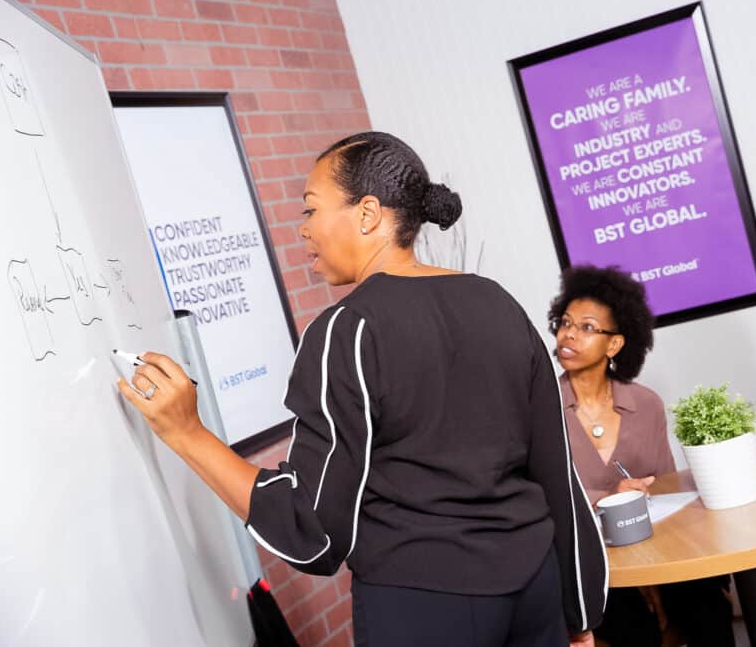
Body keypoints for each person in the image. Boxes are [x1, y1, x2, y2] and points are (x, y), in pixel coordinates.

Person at [116, 131, 607, 647]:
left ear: (368, 213)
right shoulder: (498, 303)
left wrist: (188, 432)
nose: (303, 230)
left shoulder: (345, 331)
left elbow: (313, 528)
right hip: (535, 589)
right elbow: (556, 471)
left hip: (425, 608)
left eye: (310, 210)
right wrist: (580, 615)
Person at [548, 265, 735, 647]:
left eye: (586, 327)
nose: (568, 334)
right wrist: (608, 501)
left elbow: (668, 494)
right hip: (587, 567)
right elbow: (544, 505)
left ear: (614, 344)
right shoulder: (541, 410)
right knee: (633, 625)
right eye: (565, 323)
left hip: (654, 552)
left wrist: (654, 572)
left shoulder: (646, 405)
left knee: (706, 604)